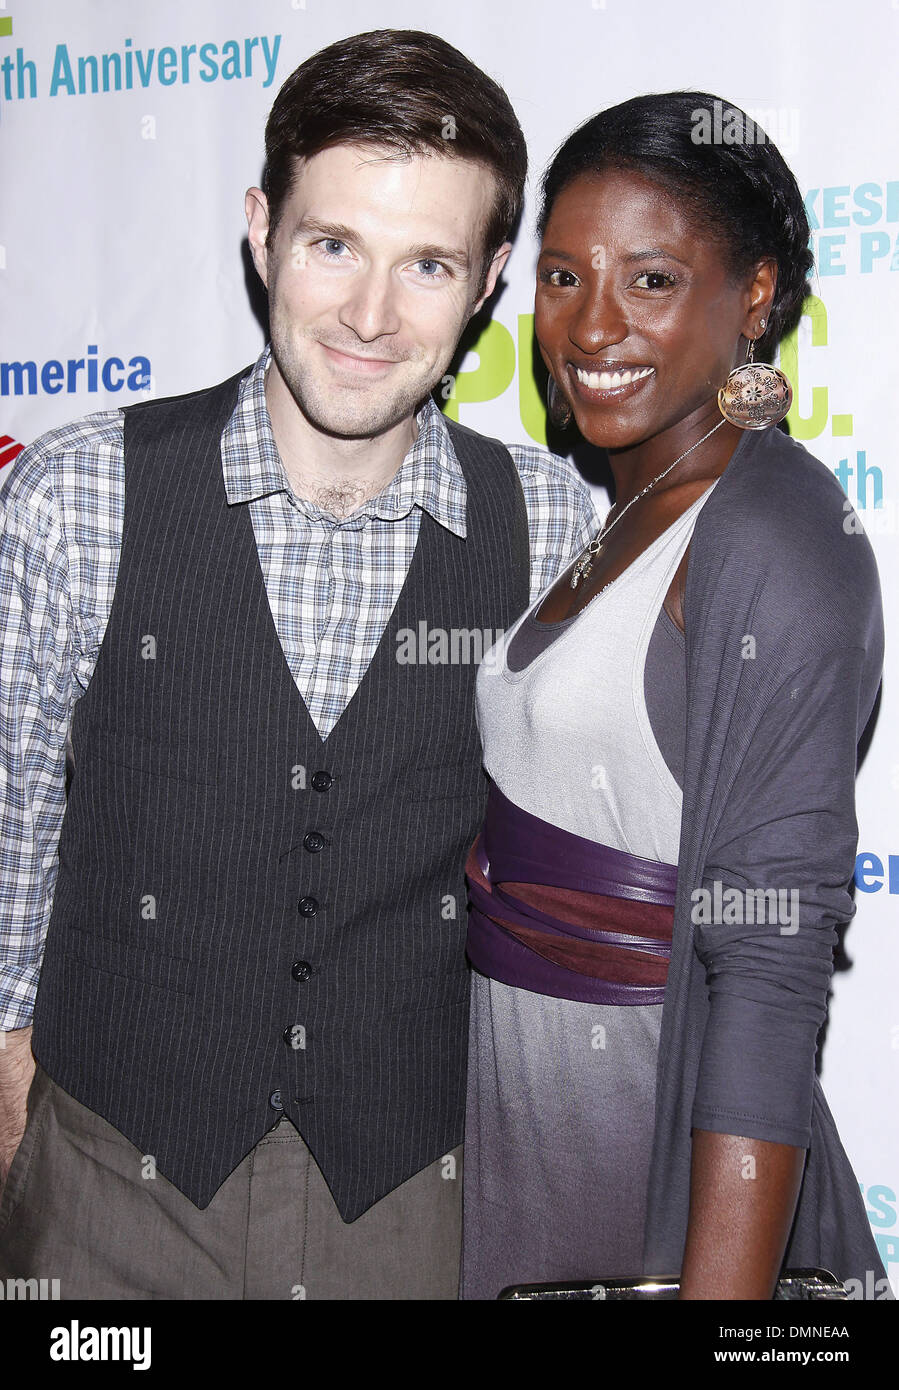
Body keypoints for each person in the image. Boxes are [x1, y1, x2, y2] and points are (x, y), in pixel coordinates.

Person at [0, 30, 596, 1300]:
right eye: (334, 245)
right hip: (105, 1195)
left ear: (489, 279)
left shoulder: (550, 529)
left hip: (417, 1206)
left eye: (425, 263)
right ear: (263, 229)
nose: (371, 317)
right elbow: (11, 827)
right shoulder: (79, 492)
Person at [461, 91, 890, 1300]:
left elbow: (767, 965)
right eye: (559, 276)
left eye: (648, 280)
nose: (590, 324)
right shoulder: (622, 515)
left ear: (750, 297)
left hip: (663, 1228)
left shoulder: (776, 534)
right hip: (538, 1191)